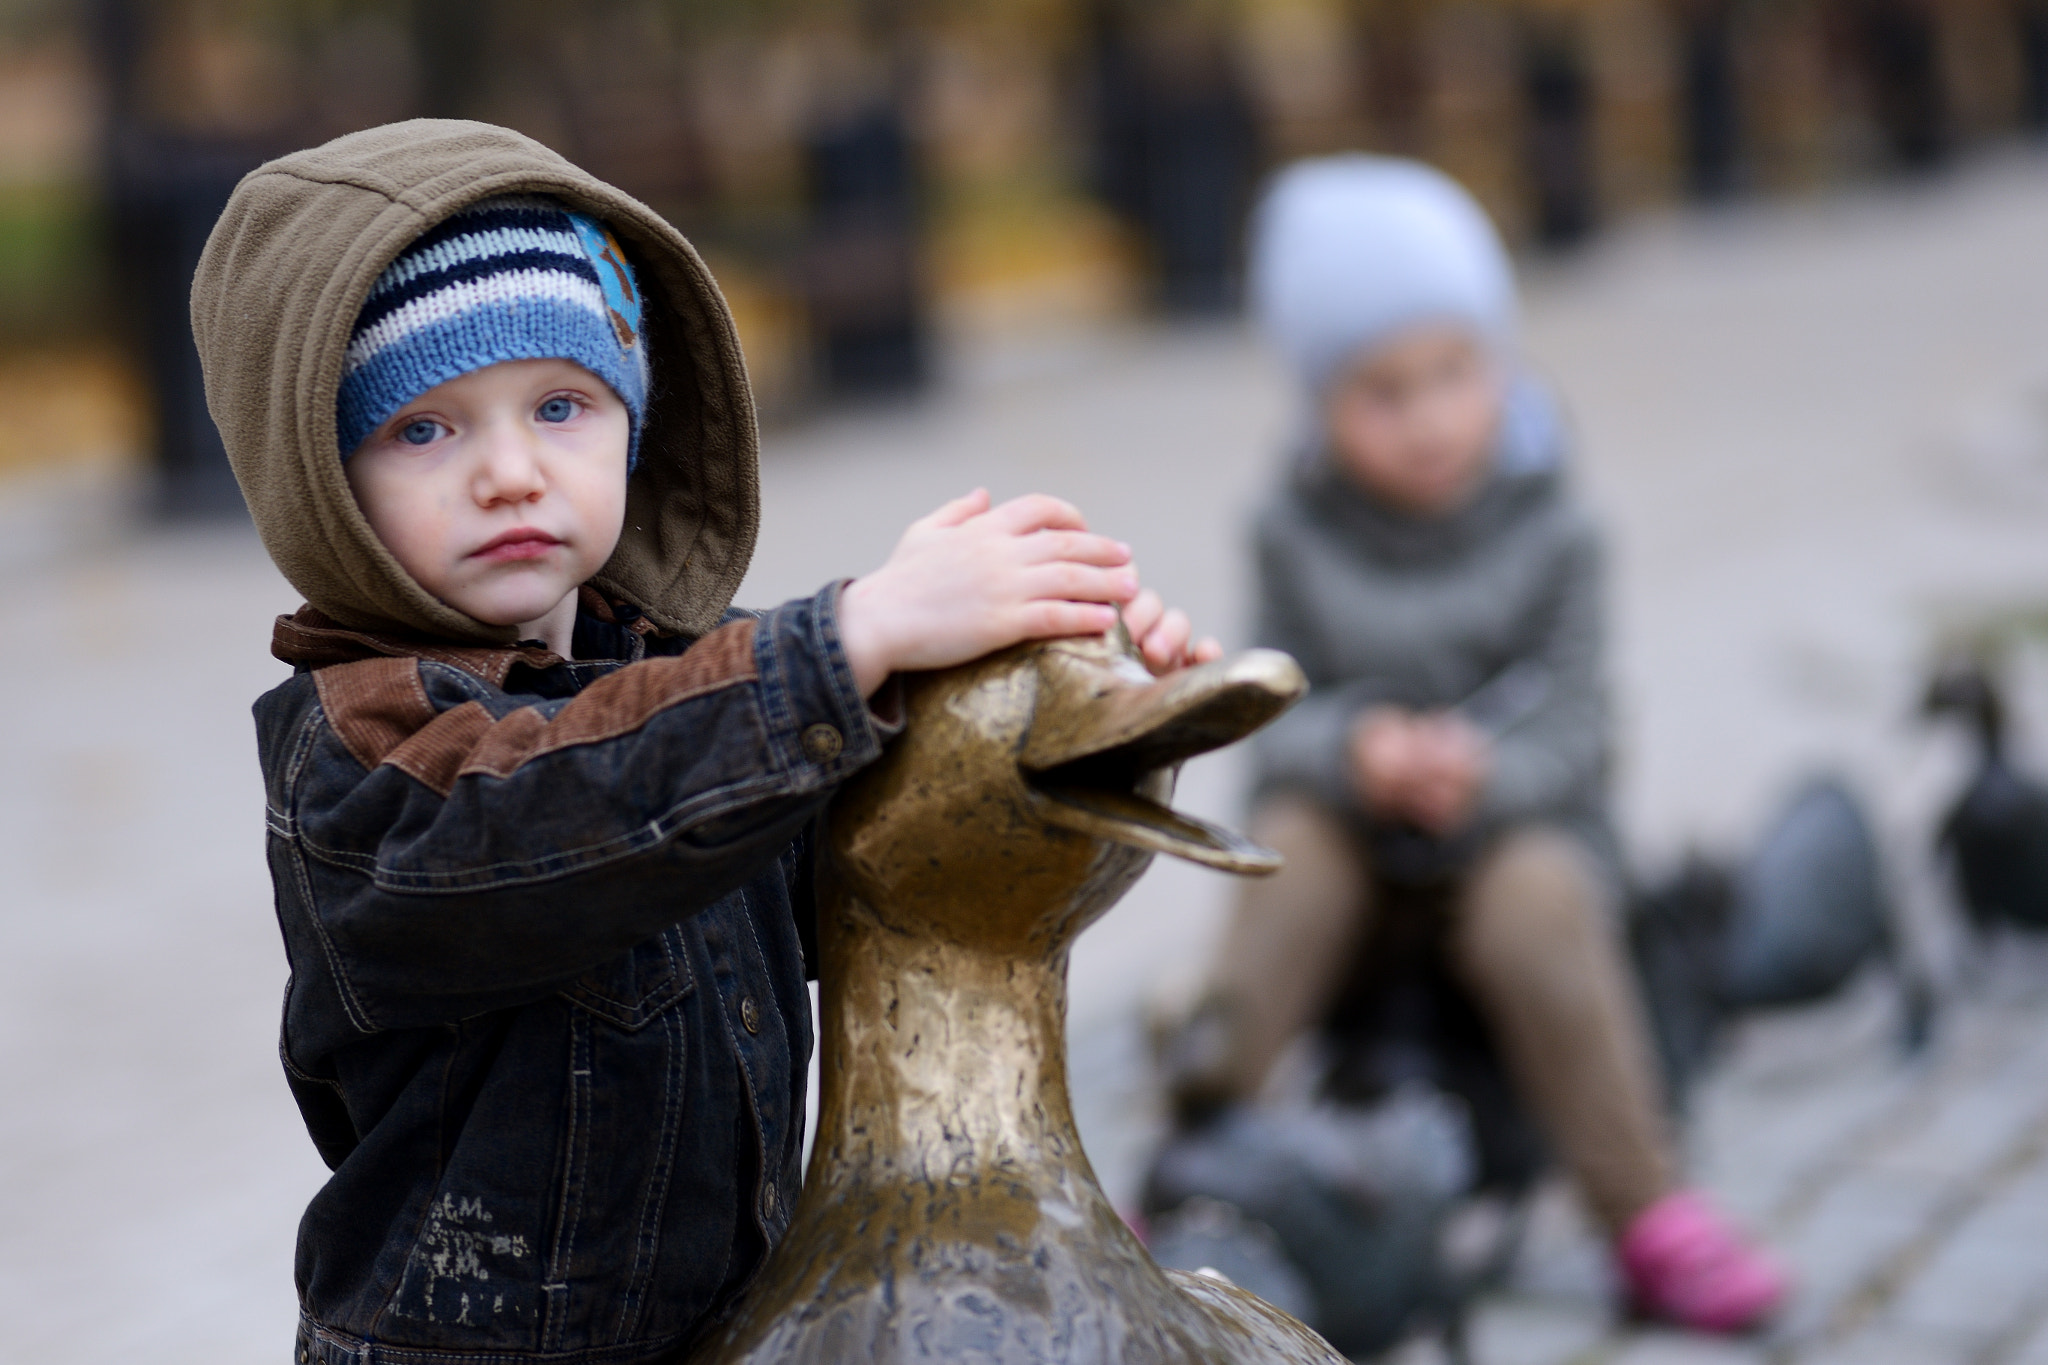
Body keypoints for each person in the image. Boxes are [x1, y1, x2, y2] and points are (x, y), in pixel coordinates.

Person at [191, 120, 1216, 1365]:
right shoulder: (361, 752)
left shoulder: (685, 677)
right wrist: (847, 637)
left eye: (559, 406)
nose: (511, 472)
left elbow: (886, 861)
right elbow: (560, 803)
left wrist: (1061, 692)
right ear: (318, 478)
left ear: (632, 421)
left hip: (730, 1328)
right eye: (425, 429)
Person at [1164, 155, 1786, 1333]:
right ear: (1316, 404)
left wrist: (1484, 774)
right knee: (1284, 854)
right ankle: (1193, 1166)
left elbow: (1579, 721)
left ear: (1498, 361)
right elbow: (1272, 710)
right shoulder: (1289, 530)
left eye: (1452, 375)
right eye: (1379, 394)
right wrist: (1356, 751)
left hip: (1513, 830)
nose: (1426, 420)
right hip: (1357, 839)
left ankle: (1643, 1209)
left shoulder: (1557, 527)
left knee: (1539, 906)